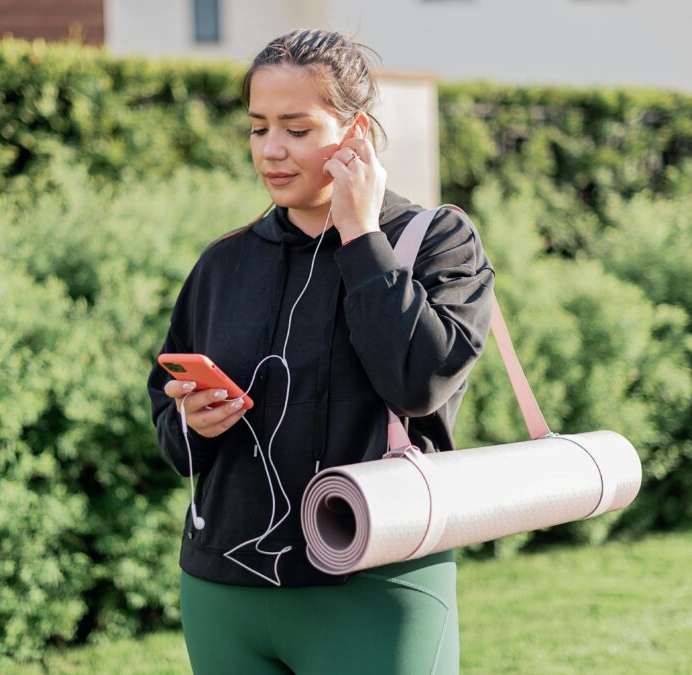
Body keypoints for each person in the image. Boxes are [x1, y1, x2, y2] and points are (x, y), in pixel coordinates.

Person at [146, 28, 495, 675]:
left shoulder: (437, 240)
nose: (271, 150)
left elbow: (420, 382)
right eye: (258, 128)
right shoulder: (223, 263)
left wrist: (359, 233)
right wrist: (191, 420)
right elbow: (170, 436)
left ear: (355, 132)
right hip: (224, 594)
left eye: (297, 129)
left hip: (375, 589)